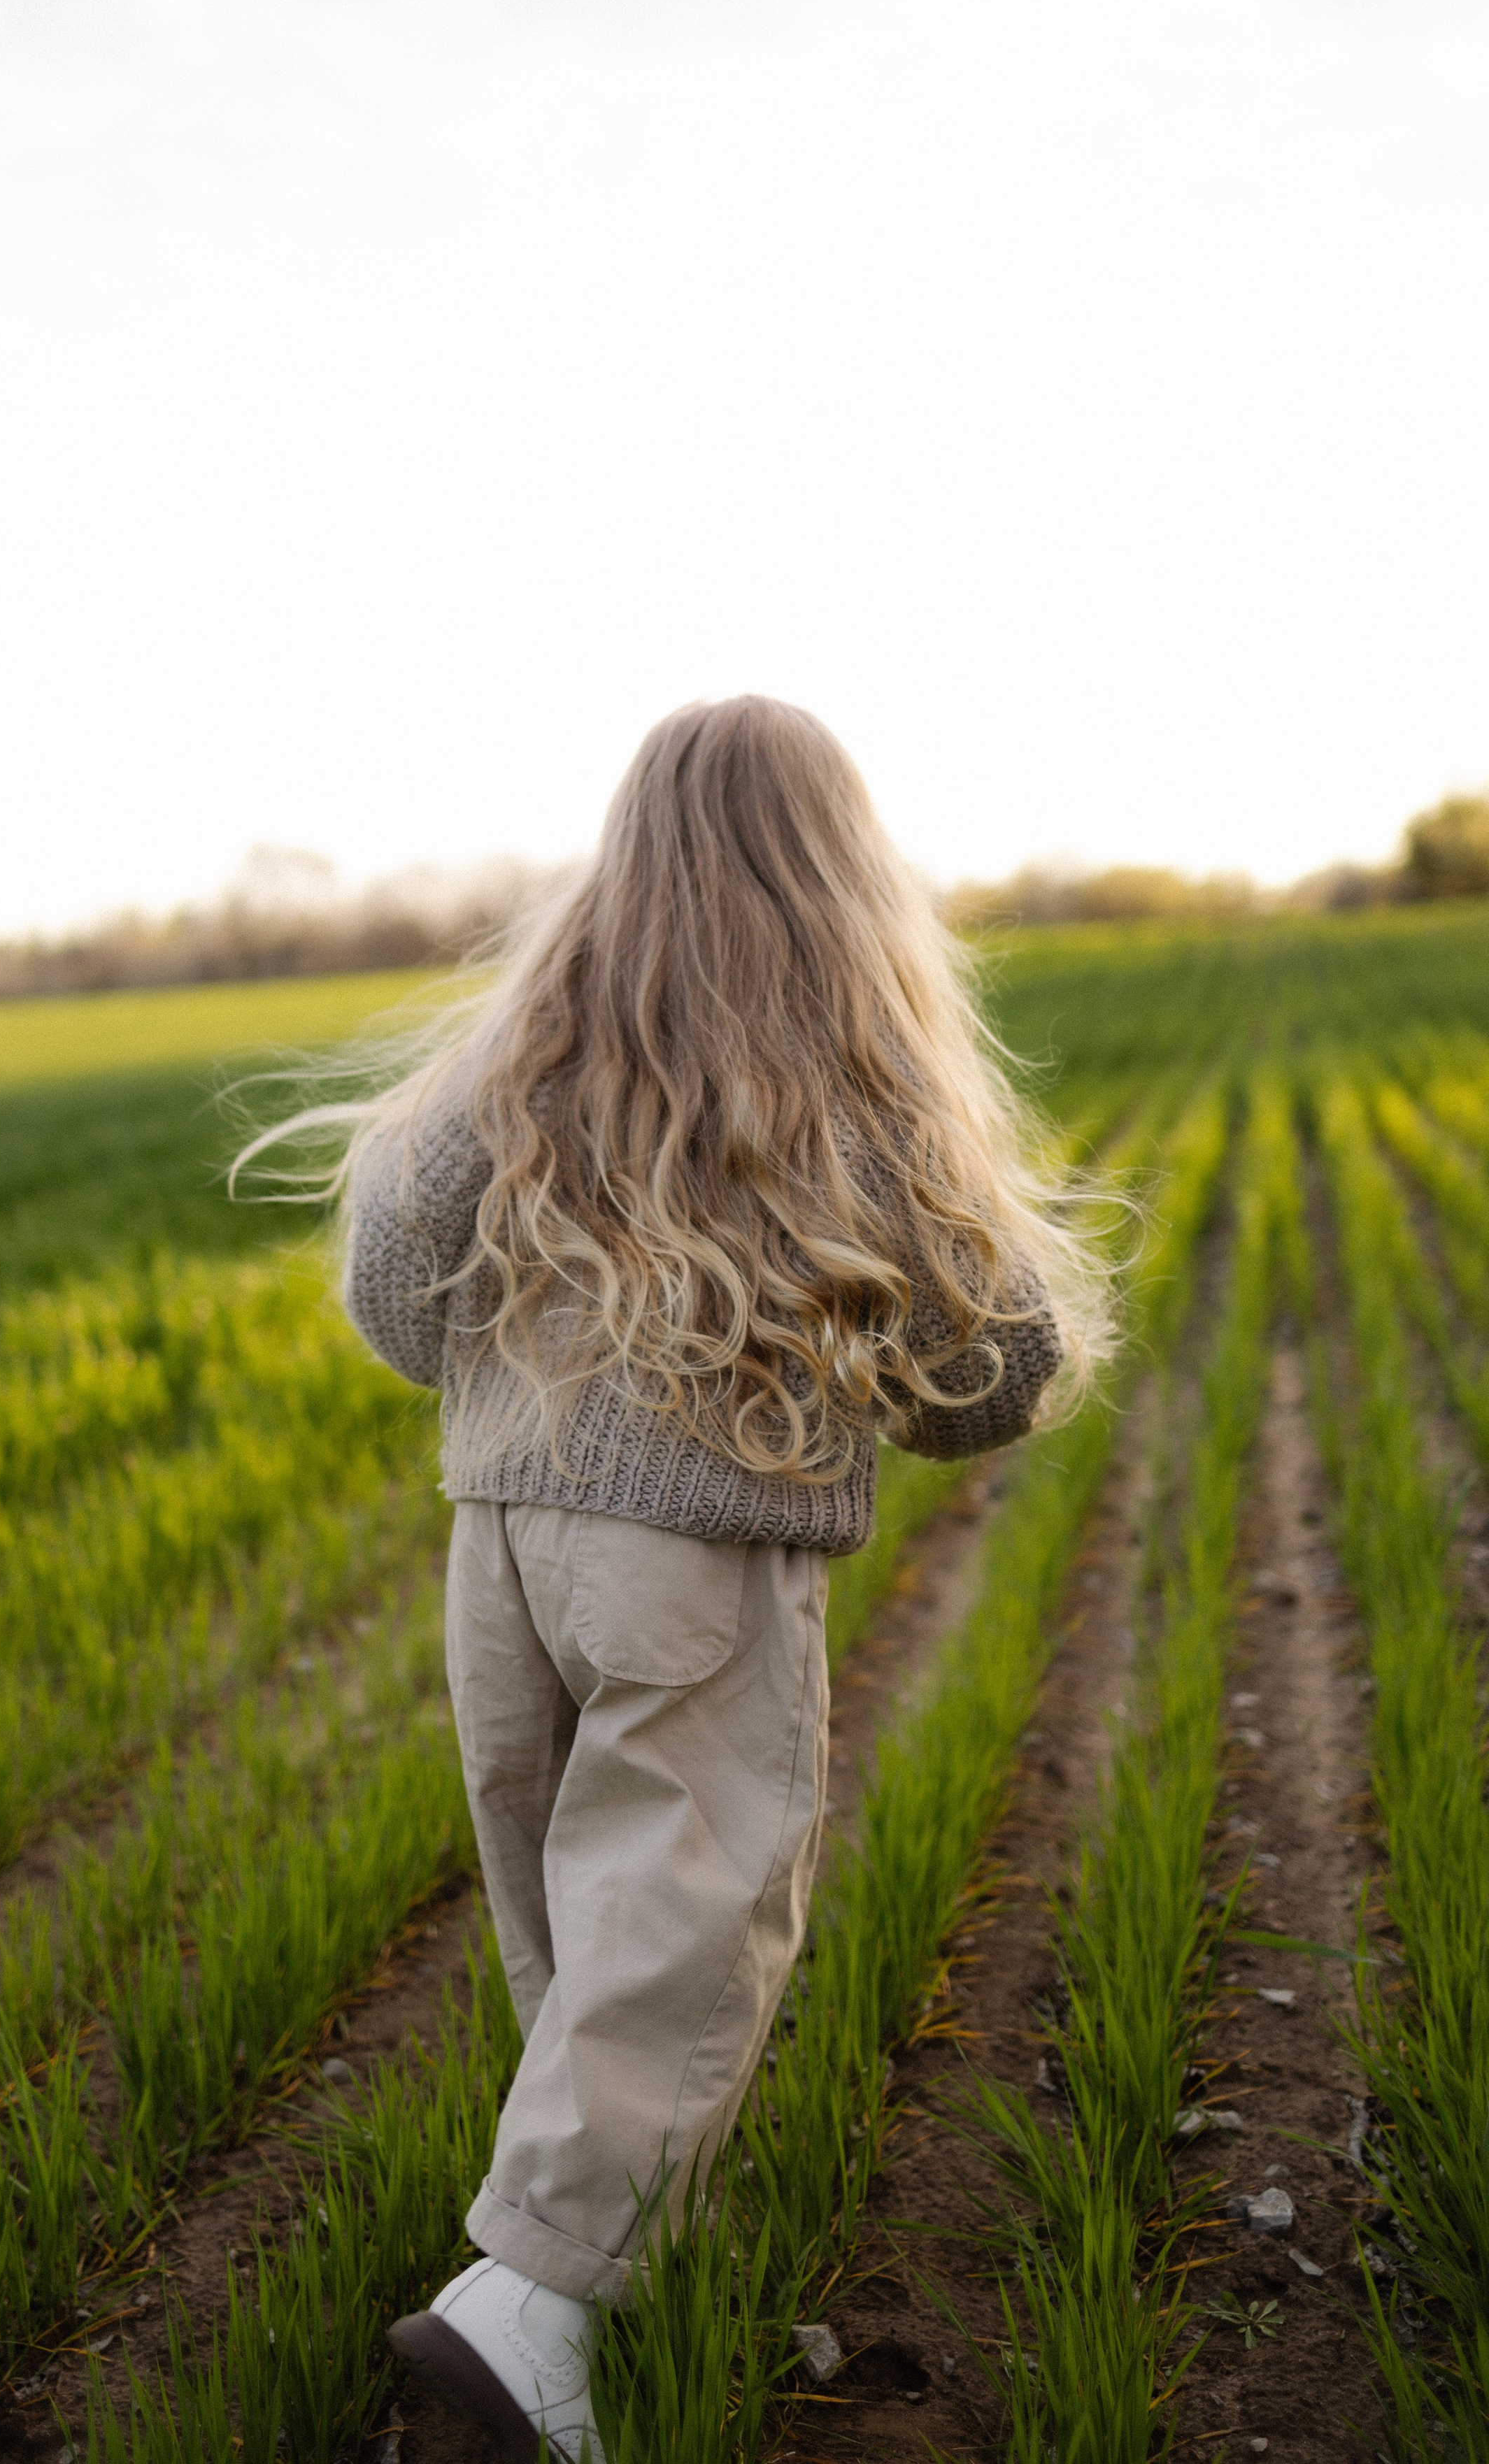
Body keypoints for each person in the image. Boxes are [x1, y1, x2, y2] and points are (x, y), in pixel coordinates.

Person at [253, 698, 1109, 2463]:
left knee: (580, 1930)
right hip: (696, 1558)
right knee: (691, 1921)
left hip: (500, 1548)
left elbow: (393, 1299)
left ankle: (602, 2268)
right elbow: (997, 1366)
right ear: (839, 875)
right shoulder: (835, 1080)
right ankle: (533, 2305)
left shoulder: (518, 1063)